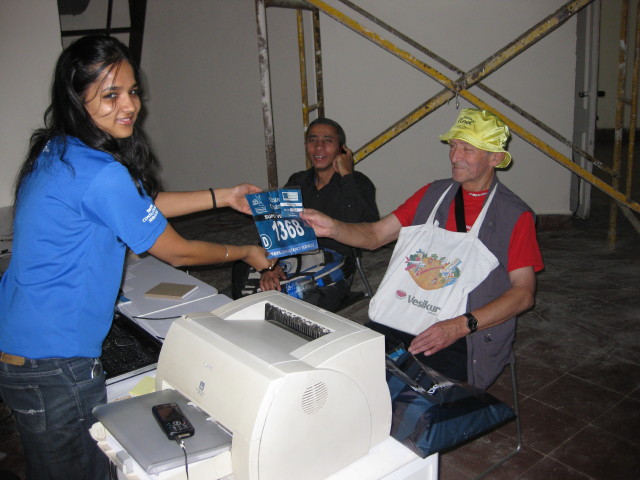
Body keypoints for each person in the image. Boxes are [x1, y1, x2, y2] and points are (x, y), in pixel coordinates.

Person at [0, 35, 273, 480]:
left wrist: (224, 196)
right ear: (77, 97)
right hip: (55, 362)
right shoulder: (100, 172)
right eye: (111, 95)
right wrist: (244, 251)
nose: (129, 106)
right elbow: (177, 251)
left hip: (25, 347)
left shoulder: (59, 150)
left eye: (132, 91)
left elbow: (136, 204)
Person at [301, 108, 544, 390]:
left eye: (467, 149)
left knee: (406, 392)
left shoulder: (513, 215)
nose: (454, 156)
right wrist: (332, 228)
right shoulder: (433, 194)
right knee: (348, 374)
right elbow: (376, 235)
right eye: (453, 146)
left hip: (464, 333)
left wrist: (458, 326)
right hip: (404, 315)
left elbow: (523, 293)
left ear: (496, 158)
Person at [257, 117, 379, 311]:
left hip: (333, 265)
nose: (319, 147)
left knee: (297, 308)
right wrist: (270, 265)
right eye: (313, 140)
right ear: (306, 146)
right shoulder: (298, 181)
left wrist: (347, 176)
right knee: (246, 278)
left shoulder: (358, 183)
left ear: (341, 149)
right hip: (293, 258)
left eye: (328, 140)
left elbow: (368, 231)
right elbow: (277, 226)